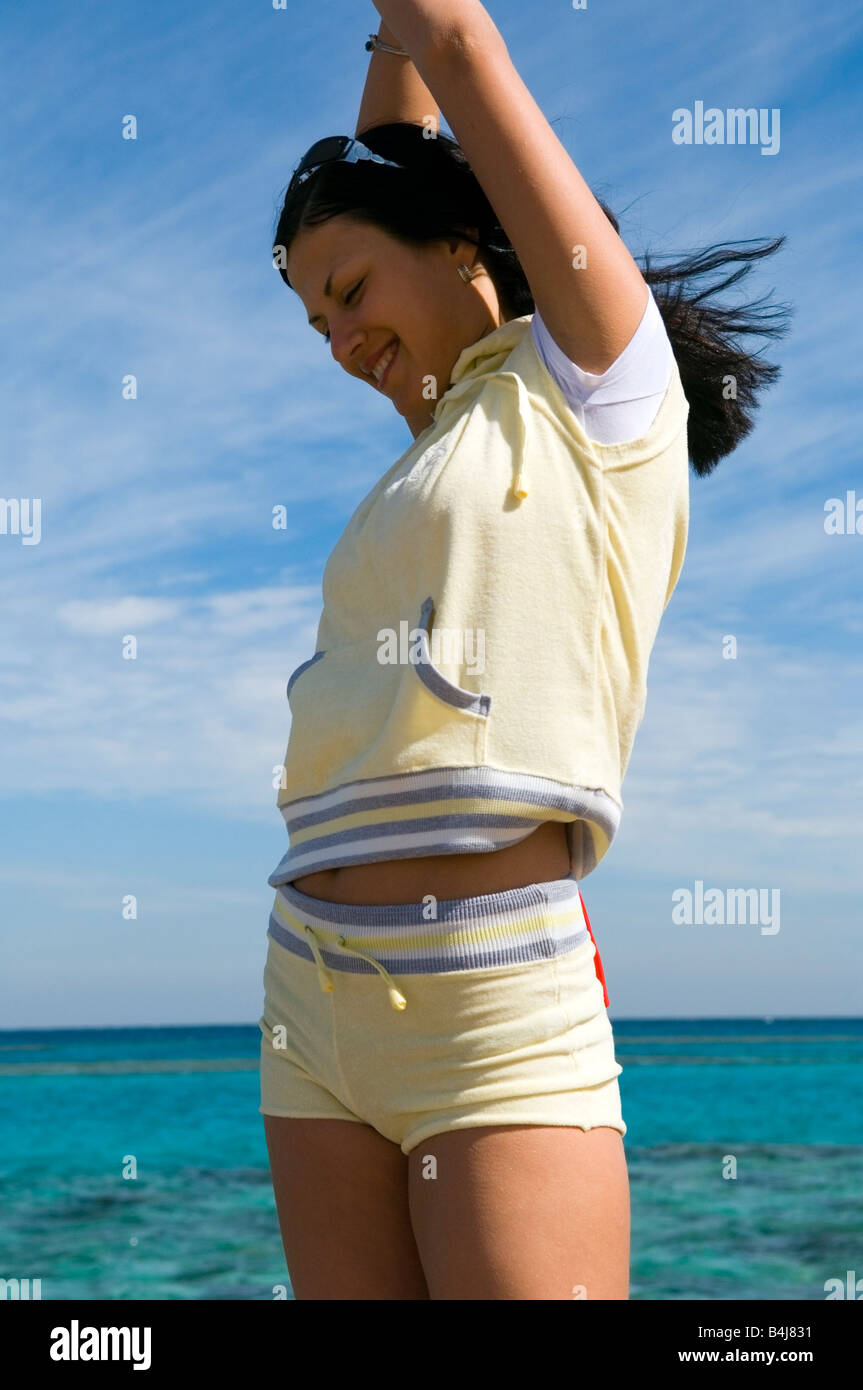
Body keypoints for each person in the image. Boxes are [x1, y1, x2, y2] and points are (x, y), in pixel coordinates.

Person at [258, 1, 790, 1300]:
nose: (338, 342)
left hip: (492, 986)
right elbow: (398, 132)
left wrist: (419, 35)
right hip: (309, 984)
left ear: (461, 243)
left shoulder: (598, 391)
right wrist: (387, 74)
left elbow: (455, 41)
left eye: (349, 293)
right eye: (312, 322)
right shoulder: (443, 440)